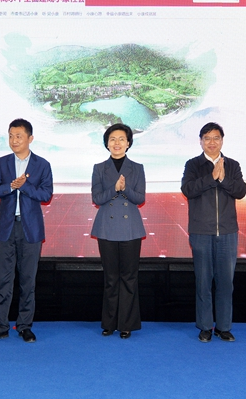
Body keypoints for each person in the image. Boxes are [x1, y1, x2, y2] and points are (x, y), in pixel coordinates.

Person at [0, 119, 53, 344]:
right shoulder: (1, 163)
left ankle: (24, 326)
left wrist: (25, 186)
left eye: (19, 136)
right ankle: (0, 327)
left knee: (27, 281)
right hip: (6, 228)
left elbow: (46, 195)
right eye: (11, 136)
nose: (14, 140)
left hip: (30, 229)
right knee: (3, 280)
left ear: (30, 139)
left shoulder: (42, 165)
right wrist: (11, 186)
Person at [181, 122, 246, 342]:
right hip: (201, 231)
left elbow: (241, 191)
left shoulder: (233, 165)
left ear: (222, 140)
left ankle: (224, 327)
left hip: (227, 232)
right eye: (207, 138)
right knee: (203, 282)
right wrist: (211, 178)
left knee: (226, 283)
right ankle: (205, 327)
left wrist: (223, 178)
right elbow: (188, 190)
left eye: (216, 138)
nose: (212, 142)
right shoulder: (193, 165)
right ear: (201, 141)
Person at [91, 124, 146, 339]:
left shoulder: (137, 168)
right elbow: (97, 198)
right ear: (107, 143)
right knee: (111, 278)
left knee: (129, 278)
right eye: (112, 139)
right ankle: (109, 323)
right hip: (107, 227)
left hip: (130, 228)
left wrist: (125, 189)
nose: (117, 143)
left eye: (121, 139)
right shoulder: (99, 168)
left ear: (128, 143)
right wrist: (114, 189)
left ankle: (126, 324)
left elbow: (139, 198)